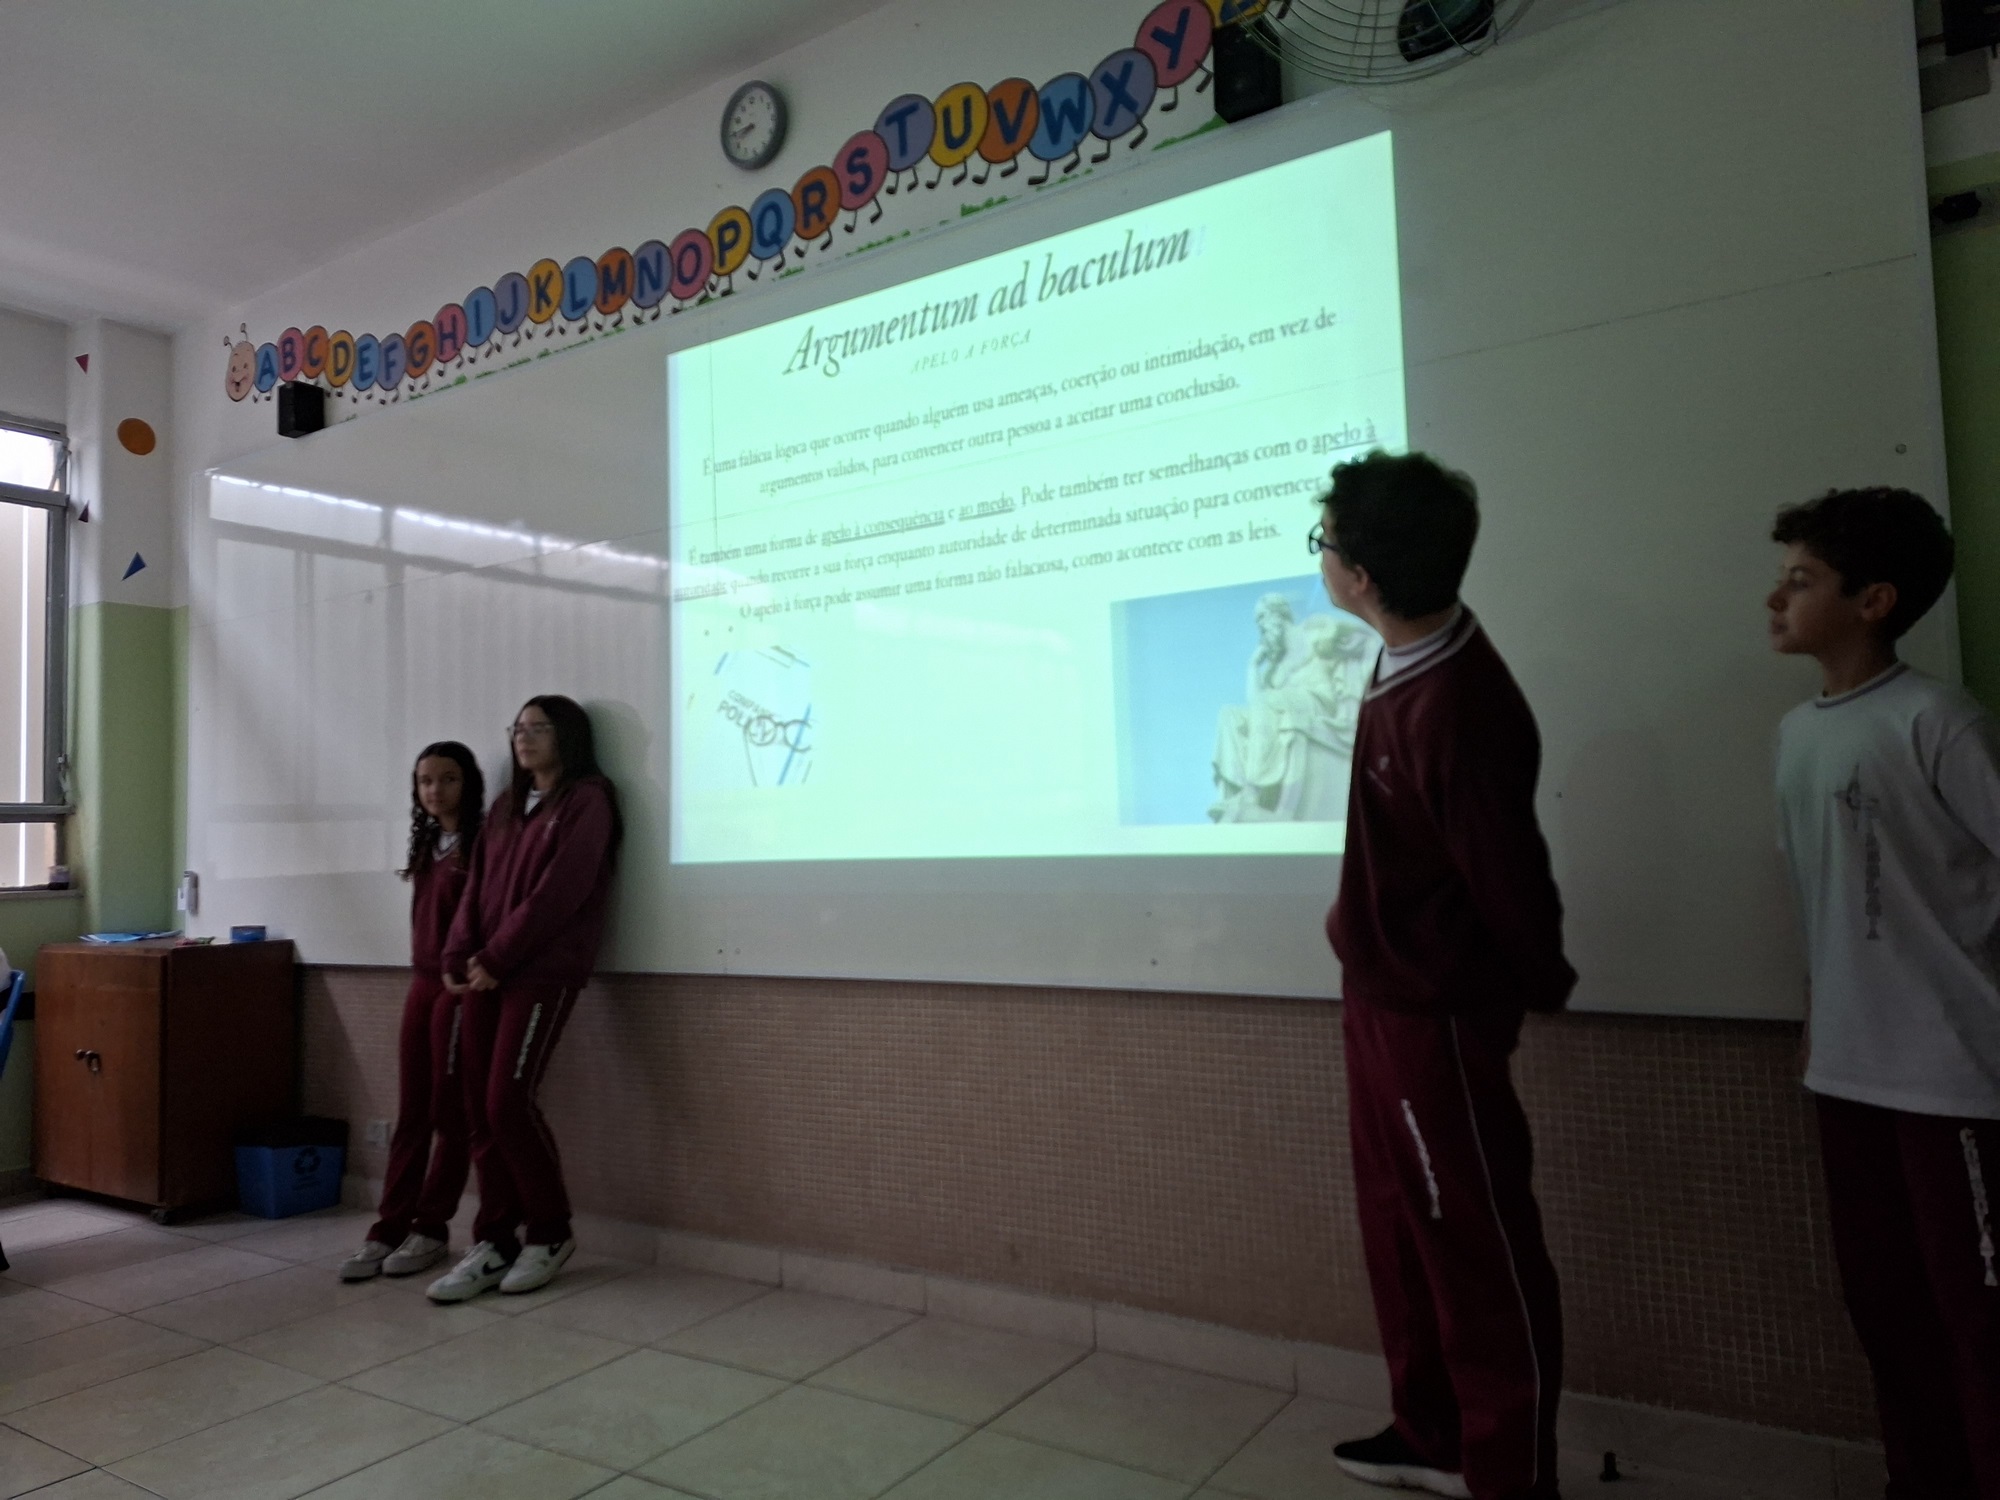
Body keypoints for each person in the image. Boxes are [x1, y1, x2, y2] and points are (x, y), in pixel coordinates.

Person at [1315, 451, 1572, 1500]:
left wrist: (1520, 990)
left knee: (1472, 1242)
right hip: (1384, 996)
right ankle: (1433, 1432)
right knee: (1400, 1223)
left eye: (1325, 543)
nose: (1322, 559)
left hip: (1437, 1013)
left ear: (1361, 575)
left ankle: (1507, 1468)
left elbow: (1508, 874)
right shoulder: (1404, 661)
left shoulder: (1456, 701)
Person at [1766, 487, 2000, 1500]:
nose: (1774, 598)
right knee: (1886, 1309)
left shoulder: (1938, 721)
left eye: (1801, 580)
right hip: (1847, 1074)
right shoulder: (1795, 733)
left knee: (1978, 1319)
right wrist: (1817, 1018)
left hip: (1953, 1079)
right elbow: (1817, 899)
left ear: (1873, 601)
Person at [427, 695, 621, 1302]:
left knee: (507, 1102)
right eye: (518, 728)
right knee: (478, 1109)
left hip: (538, 973)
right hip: (484, 973)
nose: (524, 737)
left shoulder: (588, 801)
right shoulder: (507, 806)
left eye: (539, 728)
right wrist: (457, 955)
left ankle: (550, 1232)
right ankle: (494, 1239)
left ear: (568, 736)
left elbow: (561, 891)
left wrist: (498, 957)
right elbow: (476, 888)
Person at [339, 742, 485, 1282]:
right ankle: (389, 1226)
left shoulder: (482, 844)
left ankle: (431, 1227)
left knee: (450, 1113)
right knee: (412, 1112)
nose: (435, 790)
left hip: (457, 989)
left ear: (468, 784)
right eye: (425, 781)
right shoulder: (427, 843)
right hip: (420, 984)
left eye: (448, 779)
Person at [1210, 596, 1373, 823]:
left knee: (1270, 701)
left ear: (1279, 615)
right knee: (1230, 714)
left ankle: (1254, 791)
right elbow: (1256, 705)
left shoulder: (1310, 632)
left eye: (1263, 617)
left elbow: (1355, 638)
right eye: (1258, 621)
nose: (1261, 626)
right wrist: (1252, 667)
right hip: (1284, 705)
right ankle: (1235, 791)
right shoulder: (1275, 665)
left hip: (1317, 700)